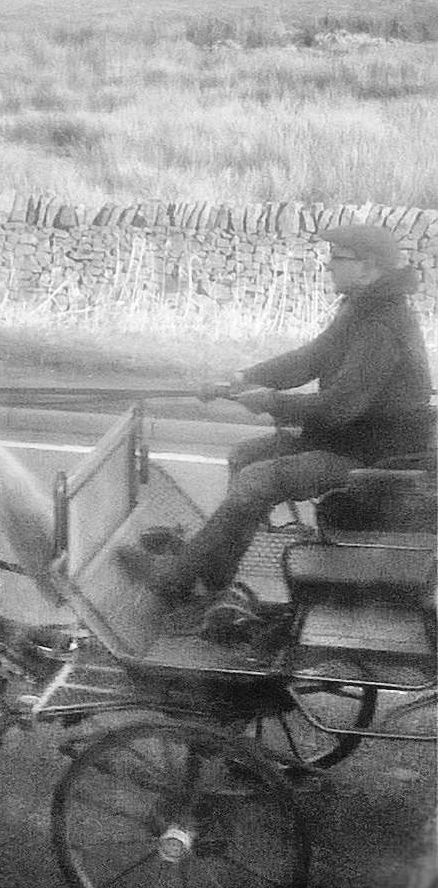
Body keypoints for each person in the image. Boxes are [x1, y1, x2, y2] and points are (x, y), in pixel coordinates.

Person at [121, 223, 434, 605]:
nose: (328, 266)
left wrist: (271, 403)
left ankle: (174, 579)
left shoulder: (381, 326)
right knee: (244, 457)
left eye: (337, 258)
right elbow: (311, 358)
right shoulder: (364, 307)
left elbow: (338, 408)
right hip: (353, 440)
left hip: (372, 458)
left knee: (255, 480)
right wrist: (243, 378)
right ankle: (214, 574)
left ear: (368, 268)